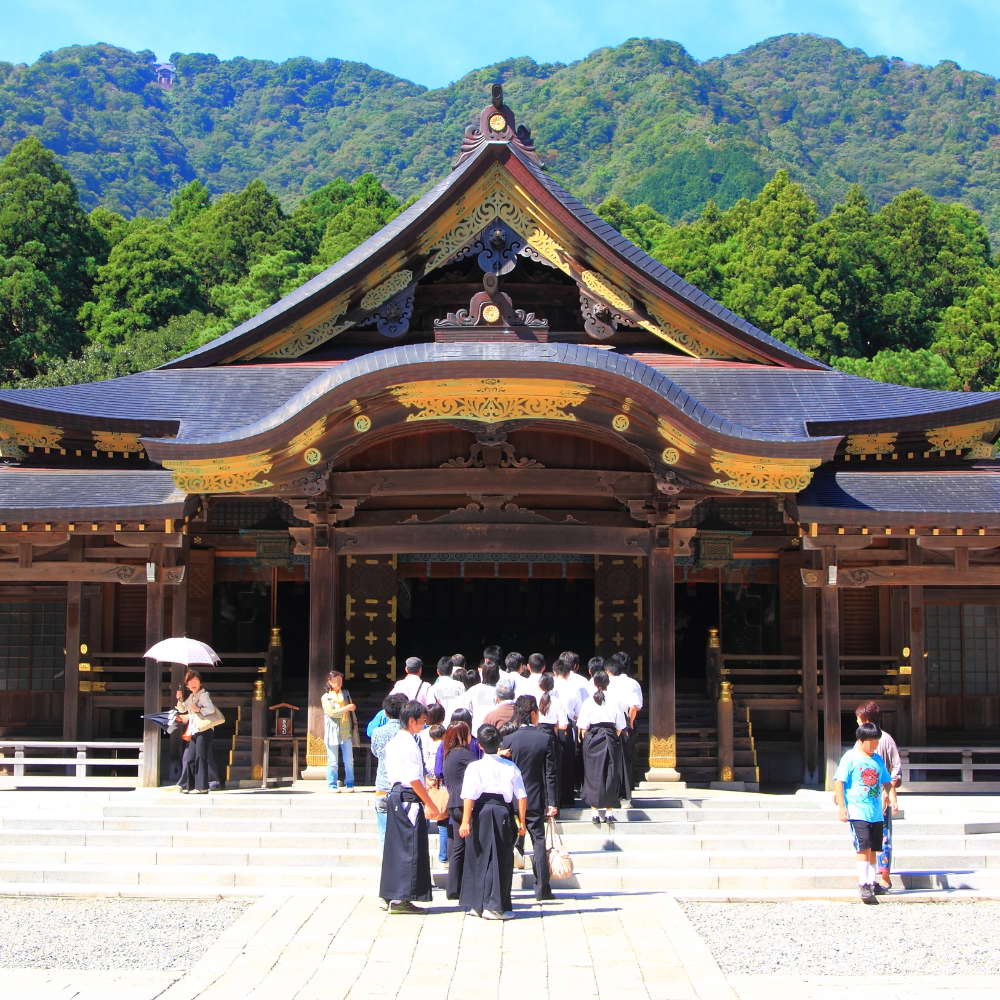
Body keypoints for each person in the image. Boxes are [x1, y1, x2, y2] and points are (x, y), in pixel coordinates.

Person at [380, 700, 446, 914]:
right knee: (410, 848)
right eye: (422, 720)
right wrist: (430, 803)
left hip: (396, 795)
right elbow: (414, 779)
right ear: (411, 720)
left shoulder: (395, 741)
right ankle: (402, 899)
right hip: (408, 797)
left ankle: (389, 894)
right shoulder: (408, 744)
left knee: (395, 848)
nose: (424, 724)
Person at [459, 723, 527, 920]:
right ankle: (494, 906)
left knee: (478, 855)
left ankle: (477, 905)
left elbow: (468, 795)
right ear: (499, 744)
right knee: (500, 858)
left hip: (479, 811)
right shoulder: (510, 767)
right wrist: (522, 822)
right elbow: (521, 795)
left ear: (480, 745)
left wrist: (465, 821)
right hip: (501, 812)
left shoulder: (474, 767)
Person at [501, 695, 559, 901]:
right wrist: (552, 803)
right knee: (539, 841)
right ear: (533, 713)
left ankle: (504, 888)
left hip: (512, 800)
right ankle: (542, 888)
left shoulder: (508, 740)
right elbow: (550, 774)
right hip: (535, 798)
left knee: (507, 843)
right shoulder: (544, 739)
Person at [834, 720, 898, 905]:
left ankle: (871, 881)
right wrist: (842, 807)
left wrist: (893, 799)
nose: (875, 745)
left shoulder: (877, 759)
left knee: (874, 847)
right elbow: (839, 781)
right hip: (857, 810)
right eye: (872, 741)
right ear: (861, 740)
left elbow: (887, 781)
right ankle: (863, 883)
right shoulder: (850, 757)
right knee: (863, 845)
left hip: (875, 811)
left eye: (876, 741)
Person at [855, 701, 902, 892]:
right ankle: (869, 877)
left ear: (866, 718)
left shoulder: (886, 739)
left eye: (859, 718)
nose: (857, 721)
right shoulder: (860, 742)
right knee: (866, 839)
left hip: (881, 794)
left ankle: (884, 876)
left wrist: (889, 793)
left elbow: (895, 768)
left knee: (884, 836)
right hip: (865, 799)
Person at [577, 670, 627, 826]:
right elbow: (620, 727)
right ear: (608, 683)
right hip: (610, 737)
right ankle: (609, 812)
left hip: (593, 738)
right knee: (610, 773)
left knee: (593, 774)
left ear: (594, 683)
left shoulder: (588, 702)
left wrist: (588, 739)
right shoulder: (614, 701)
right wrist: (612, 736)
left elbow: (583, 728)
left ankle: (595, 812)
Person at [441, 721, 477, 900]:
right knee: (468, 846)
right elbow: (480, 769)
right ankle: (467, 885)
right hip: (464, 803)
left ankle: (453, 888)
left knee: (458, 846)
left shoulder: (448, 754)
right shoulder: (464, 754)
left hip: (453, 802)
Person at [176, 670, 225, 794]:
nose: (193, 683)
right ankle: (189, 786)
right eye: (190, 681)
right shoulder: (192, 697)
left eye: (195, 680)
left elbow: (211, 709)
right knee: (190, 758)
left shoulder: (203, 696)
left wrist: (198, 709)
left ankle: (202, 787)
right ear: (187, 685)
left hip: (204, 730)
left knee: (200, 757)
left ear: (200, 683)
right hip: (194, 730)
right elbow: (182, 709)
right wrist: (180, 699)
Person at [371, 693, 407, 847]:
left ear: (385, 713)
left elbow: (375, 752)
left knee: (384, 833)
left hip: (383, 785)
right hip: (404, 788)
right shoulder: (411, 734)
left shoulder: (377, 732)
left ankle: (385, 860)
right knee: (403, 833)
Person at [608, 652, 643, 799]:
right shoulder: (632, 683)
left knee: (610, 758)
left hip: (608, 722)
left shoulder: (607, 681)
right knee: (626, 758)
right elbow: (634, 706)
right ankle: (625, 795)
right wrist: (630, 723)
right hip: (624, 720)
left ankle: (610, 793)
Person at [418, 703, 448, 866]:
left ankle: (421, 856)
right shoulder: (447, 735)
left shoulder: (420, 735)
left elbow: (419, 758)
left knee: (423, 820)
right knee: (443, 818)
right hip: (441, 781)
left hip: (424, 781)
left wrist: (425, 777)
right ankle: (443, 857)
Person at [552, 658, 584, 806]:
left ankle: (554, 799)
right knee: (567, 763)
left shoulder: (549, 687)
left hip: (552, 726)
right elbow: (578, 712)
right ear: (568, 673)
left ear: (554, 672)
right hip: (568, 725)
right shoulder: (573, 689)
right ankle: (567, 798)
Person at [321, 671, 357, 793]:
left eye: (340, 681)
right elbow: (332, 713)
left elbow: (352, 711)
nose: (339, 683)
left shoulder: (345, 694)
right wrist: (347, 708)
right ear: (329, 681)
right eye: (336, 680)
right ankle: (332, 785)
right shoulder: (325, 697)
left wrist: (354, 721)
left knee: (349, 760)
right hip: (332, 732)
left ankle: (350, 783)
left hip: (346, 731)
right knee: (333, 761)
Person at [465, 661, 502, 733]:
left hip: (477, 730)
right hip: (495, 731)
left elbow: (467, 711)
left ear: (483, 673)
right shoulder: (501, 691)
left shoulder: (473, 690)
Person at [433, 656, 466, 721]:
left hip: (440, 724)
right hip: (457, 723)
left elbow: (431, 711)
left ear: (438, 671)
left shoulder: (433, 689)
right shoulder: (460, 686)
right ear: (451, 671)